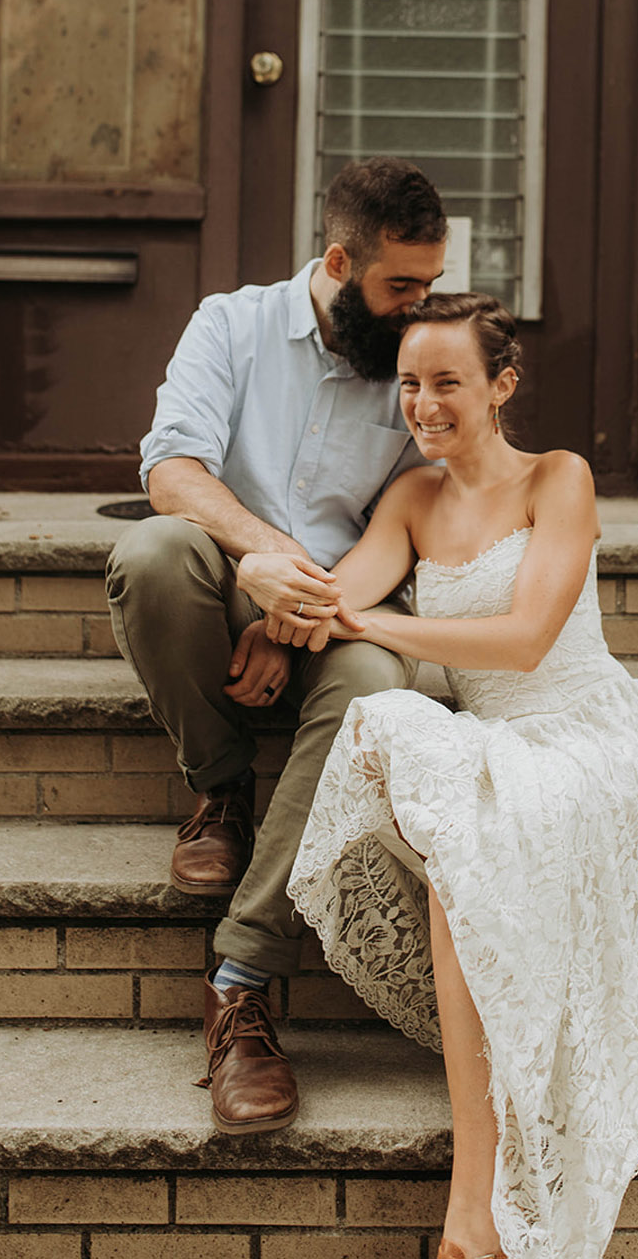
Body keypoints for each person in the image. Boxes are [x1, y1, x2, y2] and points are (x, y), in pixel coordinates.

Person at [286, 293, 638, 1259]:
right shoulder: (411, 499)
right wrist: (279, 604)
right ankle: (472, 1210)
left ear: (501, 385)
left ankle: (469, 1209)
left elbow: (523, 643)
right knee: (415, 757)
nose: (423, 404)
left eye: (446, 383)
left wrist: (373, 622)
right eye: (408, 385)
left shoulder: (559, 478)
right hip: (497, 743)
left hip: (591, 733)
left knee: (468, 844)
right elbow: (338, 595)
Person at [104, 156, 448, 1134]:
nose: (418, 306)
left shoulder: (415, 357)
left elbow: (430, 515)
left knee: (379, 681)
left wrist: (305, 618)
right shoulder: (233, 323)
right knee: (157, 550)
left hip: (346, 615)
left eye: (429, 282)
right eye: (400, 286)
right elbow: (172, 466)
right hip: (226, 588)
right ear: (340, 260)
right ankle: (219, 786)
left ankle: (241, 975)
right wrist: (264, 563)